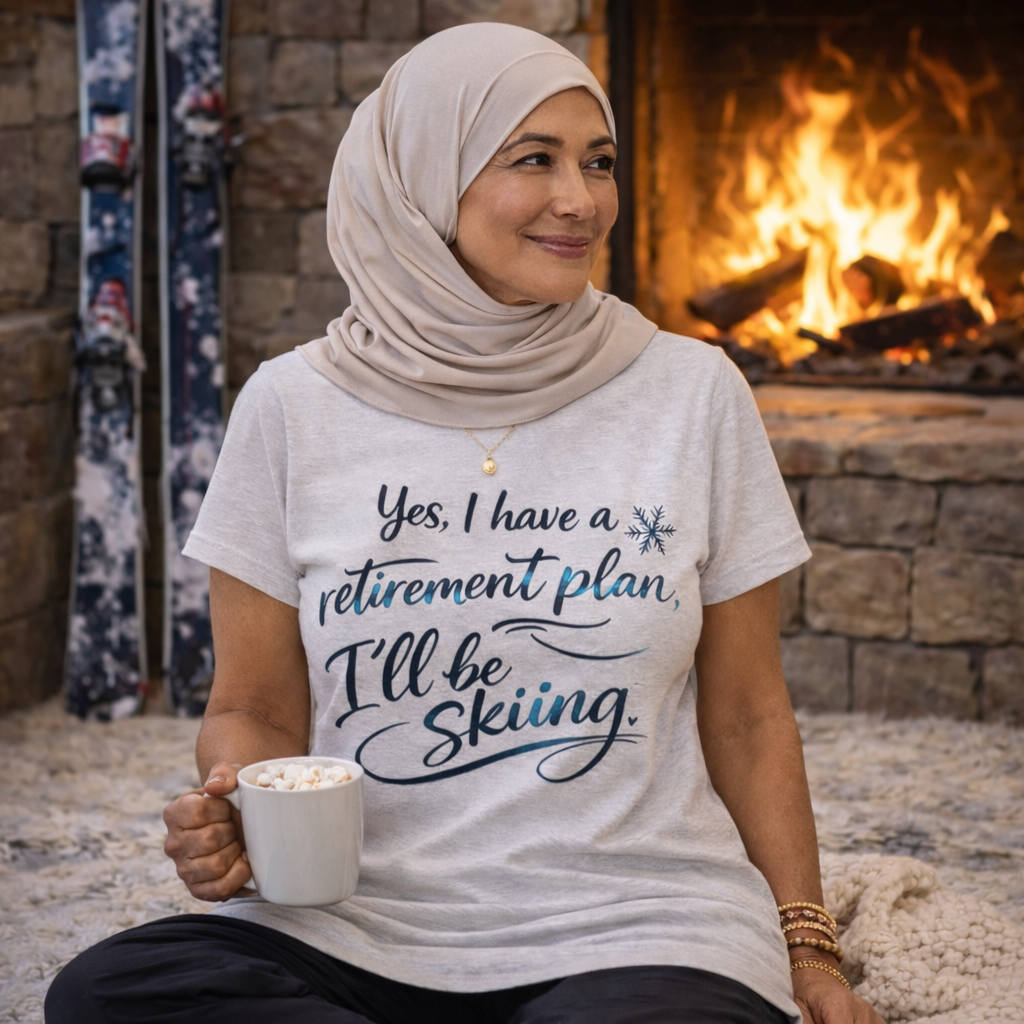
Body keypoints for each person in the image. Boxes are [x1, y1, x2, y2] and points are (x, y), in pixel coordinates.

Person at [46, 23, 884, 1024]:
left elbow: (748, 713)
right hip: (354, 917)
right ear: (420, 180)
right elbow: (256, 708)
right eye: (534, 159)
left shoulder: (690, 391)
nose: (581, 198)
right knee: (109, 993)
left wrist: (807, 940)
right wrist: (234, 803)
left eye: (599, 161)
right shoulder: (289, 408)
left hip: (637, 919)